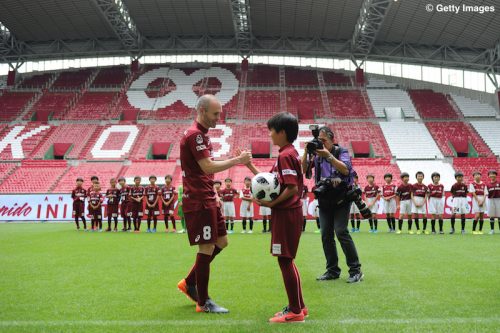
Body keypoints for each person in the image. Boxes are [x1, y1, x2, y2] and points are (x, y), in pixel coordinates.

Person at [177, 94, 251, 313]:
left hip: (207, 196)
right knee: (207, 246)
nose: (219, 117)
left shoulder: (202, 135)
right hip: (199, 200)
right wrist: (238, 161)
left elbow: (203, 171)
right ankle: (203, 301)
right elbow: (207, 167)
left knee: (222, 241)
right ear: (202, 111)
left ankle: (189, 282)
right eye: (215, 113)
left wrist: (214, 193)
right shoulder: (195, 136)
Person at [243, 112, 307, 323]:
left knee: (284, 259)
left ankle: (295, 311)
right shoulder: (287, 153)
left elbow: (291, 189)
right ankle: (299, 306)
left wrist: (270, 204)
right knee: (287, 259)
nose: (269, 135)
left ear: (282, 132)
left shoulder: (285, 155)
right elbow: (266, 181)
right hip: (287, 212)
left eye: (271, 130)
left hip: (286, 212)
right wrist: (248, 164)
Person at [301, 126, 363, 283]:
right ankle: (332, 270)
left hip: (342, 198)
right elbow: (304, 170)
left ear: (332, 140)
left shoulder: (340, 151)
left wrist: (328, 156)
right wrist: (307, 151)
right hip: (324, 199)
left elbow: (346, 170)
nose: (321, 144)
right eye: (319, 141)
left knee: (341, 231)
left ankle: (356, 270)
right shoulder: (317, 155)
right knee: (325, 235)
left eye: (324, 141)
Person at [486, 170, 500, 234]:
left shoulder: (499, 182)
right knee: (491, 215)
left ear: (496, 175)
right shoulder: (487, 184)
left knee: (499, 215)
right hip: (490, 200)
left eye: (493, 174)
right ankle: (492, 230)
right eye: (490, 174)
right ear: (489, 176)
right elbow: (486, 193)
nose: (492, 175)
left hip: (498, 199)